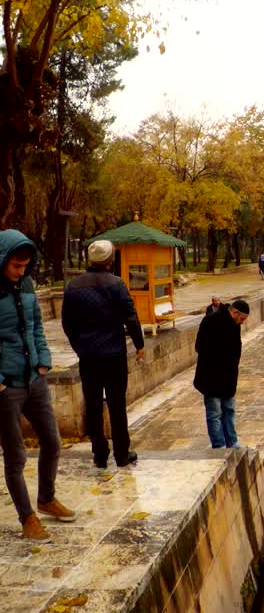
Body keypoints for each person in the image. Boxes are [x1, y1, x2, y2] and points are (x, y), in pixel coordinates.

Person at [0, 230, 75, 539]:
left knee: (52, 441)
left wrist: (43, 359)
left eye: (25, 266)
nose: (21, 271)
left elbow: (37, 328)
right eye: (16, 266)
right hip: (7, 387)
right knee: (16, 456)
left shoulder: (28, 286)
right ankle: (27, 517)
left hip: (34, 378)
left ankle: (46, 499)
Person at [61, 240, 144, 469]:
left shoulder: (74, 286)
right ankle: (122, 453)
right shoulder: (116, 284)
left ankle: (99, 454)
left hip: (88, 356)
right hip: (114, 355)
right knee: (117, 405)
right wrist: (139, 344)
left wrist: (79, 346)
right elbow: (130, 316)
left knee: (93, 405)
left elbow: (67, 323)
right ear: (110, 261)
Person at [194, 298, 249, 449]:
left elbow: (236, 347)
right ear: (235, 312)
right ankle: (219, 446)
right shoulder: (210, 320)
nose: (242, 322)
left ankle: (232, 442)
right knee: (215, 412)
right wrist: (218, 359)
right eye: (242, 319)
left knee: (229, 410)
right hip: (211, 375)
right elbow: (199, 346)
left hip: (228, 376)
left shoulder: (235, 324)